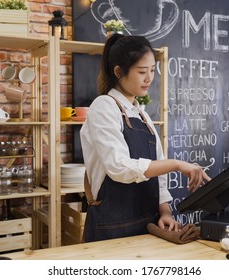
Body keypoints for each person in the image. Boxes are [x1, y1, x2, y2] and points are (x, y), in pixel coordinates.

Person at [80, 34, 211, 242]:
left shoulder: (142, 115)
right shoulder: (103, 106)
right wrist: (177, 164)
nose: (149, 78)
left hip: (148, 227)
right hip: (111, 231)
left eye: (152, 70)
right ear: (118, 72)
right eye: (142, 72)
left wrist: (166, 212)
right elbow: (119, 168)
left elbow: (158, 178)